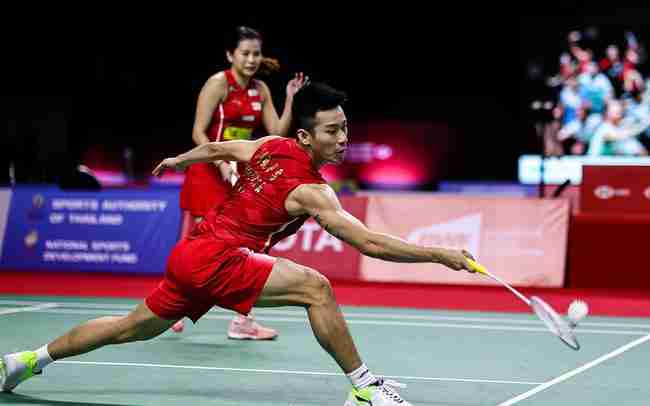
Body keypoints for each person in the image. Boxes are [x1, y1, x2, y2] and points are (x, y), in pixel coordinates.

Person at [0, 82, 476, 405]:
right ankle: (364, 387)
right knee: (317, 288)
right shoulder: (313, 191)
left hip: (194, 251)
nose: (343, 139)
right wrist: (440, 254)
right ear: (306, 136)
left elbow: (219, 148)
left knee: (130, 328)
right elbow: (369, 243)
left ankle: (27, 360)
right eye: (333, 131)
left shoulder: (270, 145)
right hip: (219, 257)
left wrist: (181, 160)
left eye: (346, 128)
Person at [175, 26, 307, 338]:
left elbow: (277, 131)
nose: (251, 59)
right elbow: (198, 132)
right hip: (209, 171)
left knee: (244, 245)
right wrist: (220, 162)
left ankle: (241, 321)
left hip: (239, 174)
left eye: (255, 54)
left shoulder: (260, 89)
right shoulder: (218, 84)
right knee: (199, 245)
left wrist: (290, 98)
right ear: (230, 55)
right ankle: (174, 304)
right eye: (245, 53)